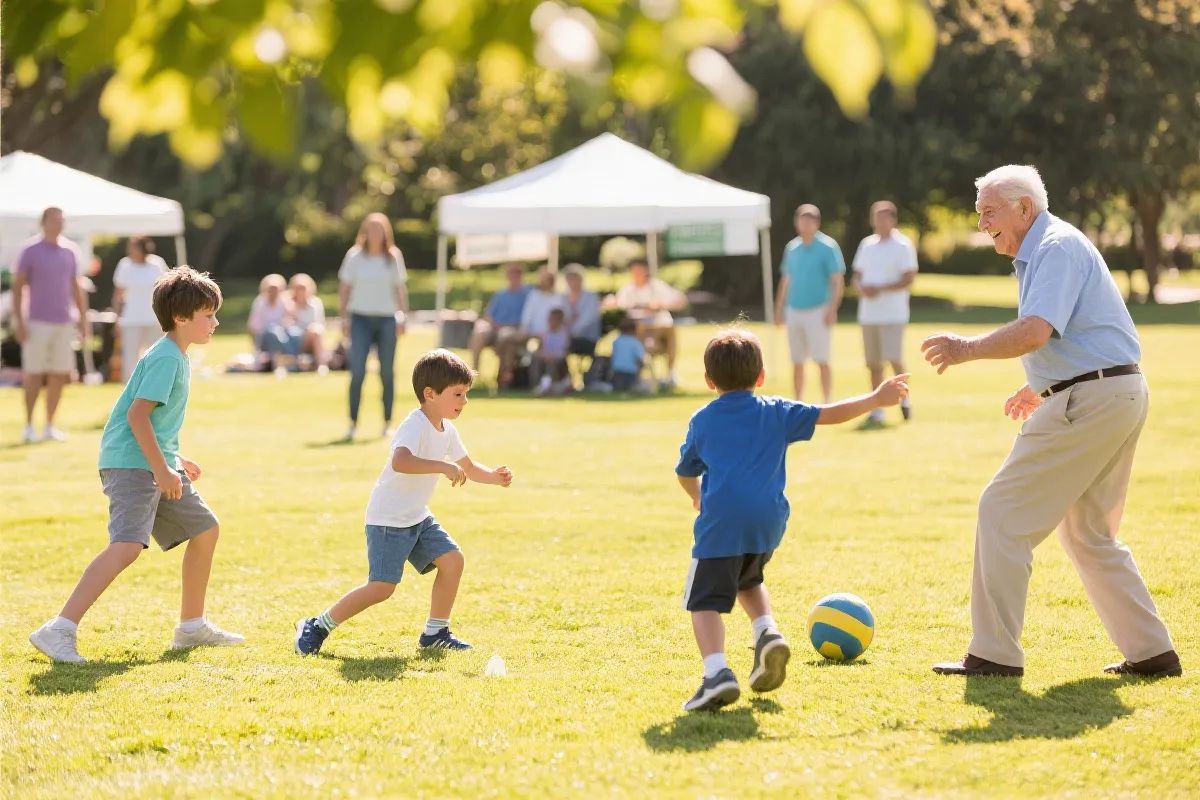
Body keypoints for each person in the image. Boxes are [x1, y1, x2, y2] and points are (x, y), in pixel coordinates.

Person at [922, 165, 1180, 679]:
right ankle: (1152, 654)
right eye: (978, 216)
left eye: (988, 213)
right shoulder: (1050, 247)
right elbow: (1073, 336)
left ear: (1024, 207)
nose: (981, 225)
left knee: (1001, 511)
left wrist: (965, 348)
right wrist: (1040, 384)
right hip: (1113, 392)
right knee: (1088, 533)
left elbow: (1036, 330)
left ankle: (994, 655)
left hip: (1093, 399)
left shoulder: (1054, 246)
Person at [674, 327, 909, 711]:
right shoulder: (777, 410)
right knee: (749, 579)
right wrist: (876, 398)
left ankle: (716, 673)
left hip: (722, 525)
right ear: (761, 376)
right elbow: (828, 414)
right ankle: (767, 632)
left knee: (703, 602)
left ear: (708, 380)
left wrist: (697, 496)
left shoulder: (703, 420)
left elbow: (685, 471)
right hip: (767, 523)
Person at [28, 267, 244, 663]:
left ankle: (191, 627)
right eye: (208, 314)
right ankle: (59, 629)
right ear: (181, 317)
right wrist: (163, 470)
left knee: (205, 529)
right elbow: (137, 416)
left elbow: (153, 422)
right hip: (132, 465)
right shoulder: (166, 358)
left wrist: (174, 459)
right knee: (127, 546)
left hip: (153, 461)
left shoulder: (175, 355)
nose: (215, 322)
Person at [294, 349, 514, 656]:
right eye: (458, 394)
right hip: (388, 520)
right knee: (382, 588)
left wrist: (494, 476)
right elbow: (401, 461)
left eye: (465, 394)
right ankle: (317, 625)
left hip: (417, 517)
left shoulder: (448, 430)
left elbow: (469, 466)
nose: (464, 401)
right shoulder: (414, 424)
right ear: (430, 394)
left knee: (453, 561)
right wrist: (441, 466)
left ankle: (435, 633)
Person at [11, 207, 88, 443]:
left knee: (58, 375)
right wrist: (19, 322)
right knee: (33, 374)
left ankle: (49, 426)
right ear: (43, 222)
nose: (59, 224)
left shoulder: (70, 251)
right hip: (36, 322)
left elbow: (76, 287)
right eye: (54, 220)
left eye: (62, 220)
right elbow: (18, 287)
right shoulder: (30, 250)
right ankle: (28, 425)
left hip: (64, 323)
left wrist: (83, 320)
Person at [339, 213, 410, 440]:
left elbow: (400, 289)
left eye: (379, 229)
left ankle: (388, 422)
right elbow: (345, 288)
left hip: (386, 319)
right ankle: (352, 422)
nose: (375, 233)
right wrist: (344, 318)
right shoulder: (354, 257)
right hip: (360, 319)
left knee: (387, 372)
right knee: (357, 371)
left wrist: (403, 316)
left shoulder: (393, 257)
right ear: (365, 232)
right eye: (371, 229)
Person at [852, 201, 917, 426]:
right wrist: (862, 288)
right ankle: (877, 408)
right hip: (869, 315)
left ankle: (905, 402)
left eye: (883, 216)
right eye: (875, 216)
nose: (878, 221)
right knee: (873, 363)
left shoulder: (903, 245)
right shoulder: (867, 245)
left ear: (893, 219)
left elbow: (908, 278)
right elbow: (857, 275)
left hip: (893, 314)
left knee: (894, 359)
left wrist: (879, 288)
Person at [773, 204, 846, 403]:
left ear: (817, 223)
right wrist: (778, 309)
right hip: (794, 310)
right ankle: (798, 401)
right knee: (797, 361)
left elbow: (837, 280)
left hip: (818, 310)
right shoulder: (792, 248)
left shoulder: (828, 247)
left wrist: (832, 308)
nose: (804, 224)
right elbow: (785, 280)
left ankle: (828, 400)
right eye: (800, 219)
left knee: (822, 359)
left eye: (808, 220)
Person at [609, 259, 686, 389]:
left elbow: (681, 301)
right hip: (638, 331)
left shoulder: (657, 287)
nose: (637, 273)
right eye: (634, 270)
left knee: (669, 330)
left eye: (639, 270)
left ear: (646, 270)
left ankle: (670, 373)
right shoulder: (628, 290)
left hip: (660, 328)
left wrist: (659, 306)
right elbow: (618, 305)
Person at [113, 235, 169, 382]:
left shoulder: (157, 264)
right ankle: (131, 391)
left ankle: (155, 385)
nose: (131, 250)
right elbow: (118, 293)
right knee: (130, 358)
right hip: (131, 319)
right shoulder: (124, 265)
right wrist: (116, 317)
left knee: (155, 355)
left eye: (134, 246)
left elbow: (164, 291)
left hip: (154, 319)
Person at [469, 262, 532, 389]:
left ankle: (503, 377)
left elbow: (527, 318)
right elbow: (489, 316)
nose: (513, 276)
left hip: (514, 329)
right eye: (511, 273)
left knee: (505, 336)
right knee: (479, 331)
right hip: (496, 327)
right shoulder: (500, 295)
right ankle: (474, 374)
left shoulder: (528, 294)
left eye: (517, 273)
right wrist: (492, 324)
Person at [247, 273, 295, 368]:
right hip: (265, 337)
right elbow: (253, 327)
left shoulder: (285, 302)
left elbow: (290, 321)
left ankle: (290, 360)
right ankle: (291, 360)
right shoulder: (260, 303)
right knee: (272, 332)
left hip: (283, 336)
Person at [288, 273, 326, 369]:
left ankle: (321, 365)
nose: (301, 291)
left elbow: (320, 323)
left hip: (311, 336)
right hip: (293, 338)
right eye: (298, 288)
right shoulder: (289, 304)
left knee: (315, 331)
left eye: (303, 288)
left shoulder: (315, 303)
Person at [562, 263, 601, 358]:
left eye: (575, 278)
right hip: (566, 338)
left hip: (586, 338)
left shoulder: (591, 297)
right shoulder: (563, 297)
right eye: (569, 278)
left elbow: (589, 319)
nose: (572, 281)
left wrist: (570, 332)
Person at [518, 267, 566, 345]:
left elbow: (558, 318)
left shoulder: (559, 298)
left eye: (547, 279)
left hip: (551, 334)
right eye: (543, 279)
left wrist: (547, 333)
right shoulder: (533, 295)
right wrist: (524, 329)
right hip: (531, 332)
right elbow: (527, 316)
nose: (545, 282)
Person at [533, 308, 571, 396]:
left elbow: (563, 351)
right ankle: (537, 385)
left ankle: (548, 386)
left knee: (552, 362)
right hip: (545, 357)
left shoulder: (564, 334)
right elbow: (540, 349)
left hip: (557, 360)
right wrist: (542, 355)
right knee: (535, 359)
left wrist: (551, 356)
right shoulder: (545, 333)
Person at [609, 316, 646, 393]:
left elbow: (613, 357)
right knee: (631, 388)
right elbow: (640, 360)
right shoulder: (635, 342)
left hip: (617, 373)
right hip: (630, 373)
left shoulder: (616, 341)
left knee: (618, 389)